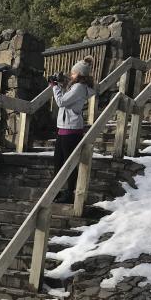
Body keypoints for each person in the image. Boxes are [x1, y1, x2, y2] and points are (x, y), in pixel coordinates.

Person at [51, 56, 95, 204]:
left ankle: (69, 193)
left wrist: (55, 86)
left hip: (71, 130)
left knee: (68, 163)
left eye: (73, 73)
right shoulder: (76, 87)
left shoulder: (79, 87)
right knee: (58, 162)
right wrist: (61, 85)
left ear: (80, 74)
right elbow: (67, 98)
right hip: (64, 128)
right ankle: (55, 191)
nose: (71, 74)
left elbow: (62, 101)